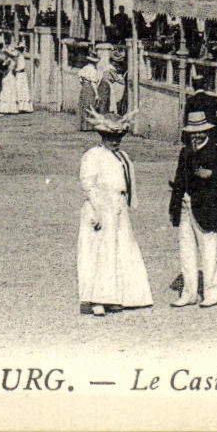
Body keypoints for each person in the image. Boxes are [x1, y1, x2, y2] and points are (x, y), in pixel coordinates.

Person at [77, 110, 152, 317]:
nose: (115, 142)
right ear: (102, 137)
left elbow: (128, 182)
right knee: (100, 252)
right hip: (101, 206)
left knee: (120, 250)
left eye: (118, 138)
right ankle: (96, 299)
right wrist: (97, 211)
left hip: (118, 207)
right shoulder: (93, 156)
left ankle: (118, 296)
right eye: (110, 138)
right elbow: (88, 184)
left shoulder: (122, 157)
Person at [168, 111, 217, 308]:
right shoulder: (185, 152)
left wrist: (210, 176)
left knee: (208, 251)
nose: (196, 136)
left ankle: (212, 293)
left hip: (207, 208)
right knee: (186, 251)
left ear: (208, 132)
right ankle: (189, 292)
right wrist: (174, 207)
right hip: (186, 206)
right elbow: (179, 180)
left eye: (200, 132)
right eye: (192, 133)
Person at [0, 45, 32, 114]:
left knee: (21, 90)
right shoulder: (14, 58)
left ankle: (23, 107)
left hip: (20, 75)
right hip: (16, 75)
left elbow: (18, 66)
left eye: (18, 50)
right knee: (16, 90)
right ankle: (18, 107)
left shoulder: (19, 57)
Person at [77, 50, 103, 132]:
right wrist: (96, 94)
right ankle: (89, 127)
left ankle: (83, 126)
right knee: (90, 106)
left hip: (84, 87)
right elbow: (93, 83)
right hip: (90, 88)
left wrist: (84, 84)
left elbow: (80, 80)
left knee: (83, 106)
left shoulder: (83, 69)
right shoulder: (93, 71)